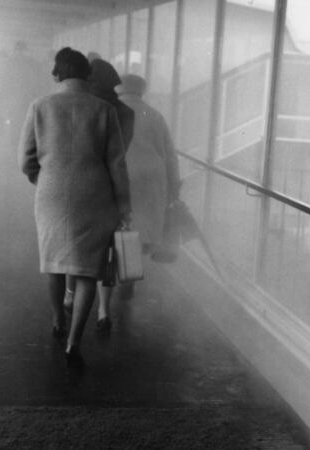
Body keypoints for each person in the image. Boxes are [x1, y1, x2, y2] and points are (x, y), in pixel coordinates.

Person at [19, 47, 131, 368]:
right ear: (87, 75)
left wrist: (41, 177)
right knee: (87, 271)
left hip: (51, 193)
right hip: (94, 195)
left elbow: (24, 158)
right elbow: (117, 164)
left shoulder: (40, 106)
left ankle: (57, 319)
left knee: (54, 262)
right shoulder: (103, 110)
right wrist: (124, 204)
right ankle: (74, 343)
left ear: (57, 74)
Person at [63, 58, 135, 335]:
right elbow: (119, 154)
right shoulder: (125, 113)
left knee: (77, 244)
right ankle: (104, 310)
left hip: (80, 185)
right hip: (110, 187)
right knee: (107, 253)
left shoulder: (85, 108)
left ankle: (71, 293)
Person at [116, 74, 180, 260]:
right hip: (151, 178)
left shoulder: (108, 112)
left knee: (121, 229)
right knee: (143, 229)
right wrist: (174, 186)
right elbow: (170, 156)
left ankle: (123, 270)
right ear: (142, 90)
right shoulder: (154, 115)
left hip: (119, 178)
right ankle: (133, 270)